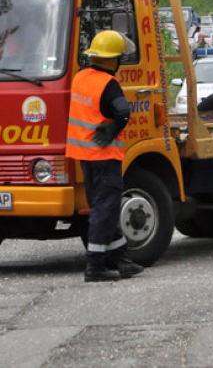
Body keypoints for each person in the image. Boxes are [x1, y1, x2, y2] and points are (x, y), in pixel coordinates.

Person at [65, 30, 144, 282]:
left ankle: (121, 259)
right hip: (105, 156)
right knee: (105, 207)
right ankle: (95, 266)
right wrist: (112, 128)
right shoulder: (108, 84)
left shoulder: (80, 77)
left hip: (84, 155)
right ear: (113, 60)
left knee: (104, 208)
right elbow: (123, 111)